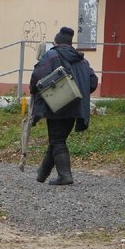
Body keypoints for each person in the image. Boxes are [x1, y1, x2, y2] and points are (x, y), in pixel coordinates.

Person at [29, 26, 98, 186]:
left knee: (57, 140)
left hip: (56, 104)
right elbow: (93, 82)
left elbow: (37, 77)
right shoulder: (81, 59)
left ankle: (65, 176)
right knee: (57, 139)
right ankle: (41, 175)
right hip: (76, 105)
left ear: (56, 42)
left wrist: (34, 90)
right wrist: (76, 90)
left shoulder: (51, 56)